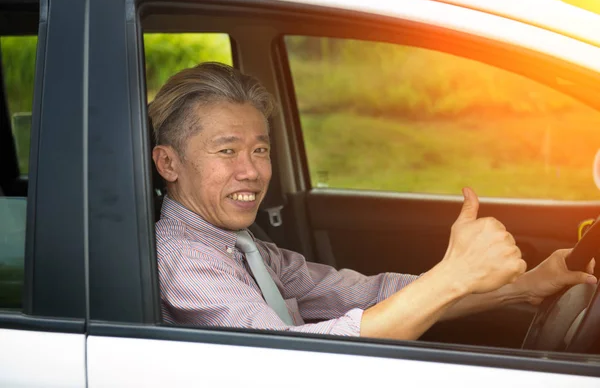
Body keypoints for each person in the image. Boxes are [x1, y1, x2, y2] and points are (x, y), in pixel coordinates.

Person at [150, 62, 596, 340]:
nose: (252, 170)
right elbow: (291, 362)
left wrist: (525, 286)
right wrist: (453, 277)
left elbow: (366, 295)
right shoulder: (184, 259)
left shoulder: (243, 246)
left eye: (260, 150)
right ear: (169, 163)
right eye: (227, 151)